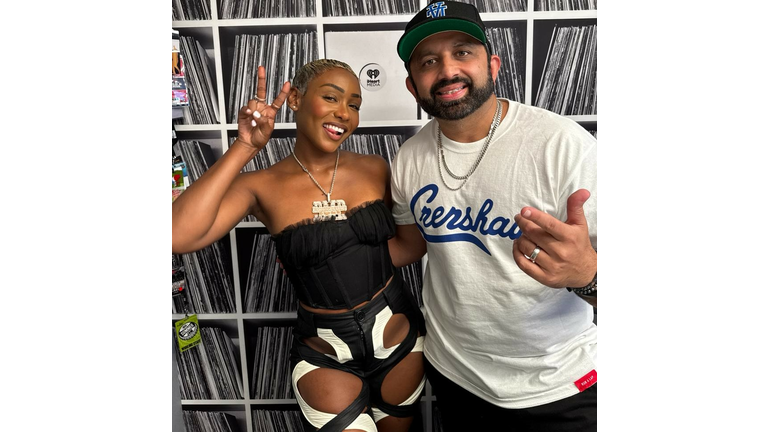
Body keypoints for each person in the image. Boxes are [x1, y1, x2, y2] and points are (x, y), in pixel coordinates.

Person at [172, 59, 426, 432]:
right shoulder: (260, 185)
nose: (344, 113)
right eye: (331, 98)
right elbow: (177, 235)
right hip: (324, 352)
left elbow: (405, 248)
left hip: (399, 336)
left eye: (354, 105)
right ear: (295, 99)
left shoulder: (375, 168)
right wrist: (244, 146)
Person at [386, 1, 598, 430]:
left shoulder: (562, 145)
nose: (448, 70)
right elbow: (409, 245)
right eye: (429, 61)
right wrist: (327, 256)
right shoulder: (409, 157)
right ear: (412, 85)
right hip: (455, 375)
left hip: (557, 384)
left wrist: (589, 275)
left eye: (462, 52)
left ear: (493, 65)